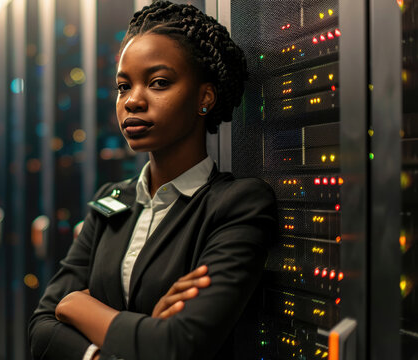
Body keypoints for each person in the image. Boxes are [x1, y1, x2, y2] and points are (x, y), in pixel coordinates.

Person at [29, 2, 277, 359]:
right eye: (123, 86)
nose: (132, 101)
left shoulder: (238, 205)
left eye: (158, 83)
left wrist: (77, 306)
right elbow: (41, 329)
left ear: (204, 97)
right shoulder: (111, 200)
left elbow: (177, 344)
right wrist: (137, 336)